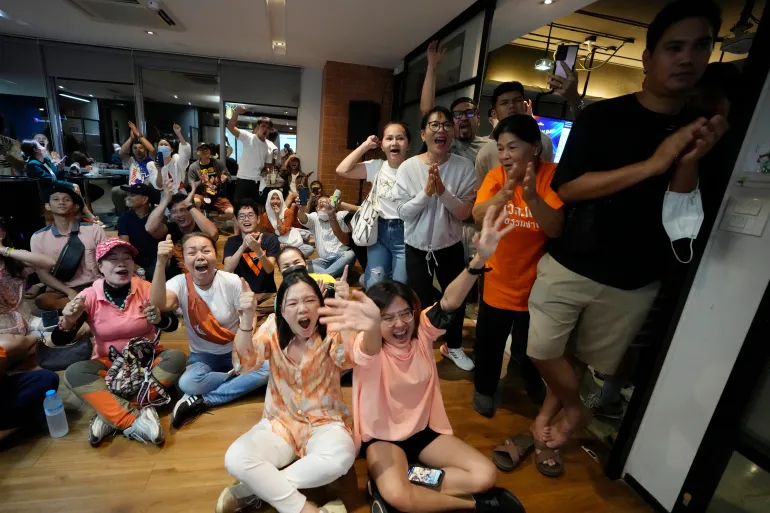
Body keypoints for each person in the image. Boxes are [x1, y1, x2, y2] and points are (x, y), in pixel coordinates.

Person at [524, 0, 726, 476]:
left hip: (635, 277)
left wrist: (690, 160)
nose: (686, 58)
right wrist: (654, 165)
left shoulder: (703, 127)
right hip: (572, 261)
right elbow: (569, 188)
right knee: (543, 350)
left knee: (583, 361)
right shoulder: (603, 118)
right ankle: (574, 413)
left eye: (701, 46)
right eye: (673, 47)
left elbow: (685, 214)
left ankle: (545, 429)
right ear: (648, 58)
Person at [318, 208, 524, 513]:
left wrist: (477, 263)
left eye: (405, 314)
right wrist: (373, 323)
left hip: (424, 433)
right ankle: (473, 506)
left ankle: (406, 481)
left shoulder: (423, 333)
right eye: (388, 318)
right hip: (383, 439)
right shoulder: (368, 345)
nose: (400, 324)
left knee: (484, 474)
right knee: (400, 496)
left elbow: (449, 302)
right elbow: (370, 344)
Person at [218, 271, 354, 513]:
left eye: (309, 300)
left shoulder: (332, 327)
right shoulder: (271, 327)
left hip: (325, 423)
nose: (302, 309)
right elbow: (244, 364)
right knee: (235, 457)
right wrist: (247, 318)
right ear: (281, 310)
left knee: (341, 457)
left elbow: (348, 359)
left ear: (320, 304)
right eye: (292, 303)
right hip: (279, 423)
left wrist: (344, 314)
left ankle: (254, 490)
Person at [470, 115, 564, 419]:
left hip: (537, 284)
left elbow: (555, 228)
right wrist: (504, 194)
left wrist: (532, 196)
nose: (505, 155)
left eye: (512, 147)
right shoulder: (497, 176)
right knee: (489, 342)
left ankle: (528, 381)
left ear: (535, 147)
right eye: (501, 149)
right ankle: (484, 388)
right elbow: (477, 215)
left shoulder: (552, 176)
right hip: (497, 278)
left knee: (529, 348)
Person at [55, 238, 184, 446]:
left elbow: (171, 325)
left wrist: (159, 319)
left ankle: (109, 413)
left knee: (177, 358)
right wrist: (69, 321)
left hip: (146, 362)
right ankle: (132, 419)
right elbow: (59, 340)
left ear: (134, 264)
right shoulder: (89, 296)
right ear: (100, 267)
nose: (121, 263)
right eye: (113, 259)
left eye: (127, 258)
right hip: (107, 364)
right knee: (74, 373)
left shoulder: (145, 288)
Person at [150, 232, 270, 429]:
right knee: (187, 383)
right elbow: (158, 305)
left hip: (236, 350)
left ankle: (204, 400)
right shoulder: (179, 283)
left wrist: (250, 311)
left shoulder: (231, 281)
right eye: (192, 252)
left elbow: (249, 320)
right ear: (183, 259)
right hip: (204, 356)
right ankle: (235, 378)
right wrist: (160, 263)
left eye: (206, 250)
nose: (200, 256)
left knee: (268, 370)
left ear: (216, 255)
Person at [394, 106, 476, 372]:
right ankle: (420, 345)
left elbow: (464, 212)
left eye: (446, 126)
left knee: (459, 298)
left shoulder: (464, 168)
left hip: (449, 245)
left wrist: (443, 192)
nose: (441, 130)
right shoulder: (407, 168)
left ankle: (453, 347)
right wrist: (427, 192)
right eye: (434, 125)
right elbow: (404, 213)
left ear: (452, 134)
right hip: (416, 247)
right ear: (423, 133)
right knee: (418, 300)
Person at [336, 122, 410, 287]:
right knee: (375, 282)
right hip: (379, 231)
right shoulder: (377, 166)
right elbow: (342, 170)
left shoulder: (415, 168)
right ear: (382, 145)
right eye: (389, 138)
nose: (394, 143)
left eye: (400, 138)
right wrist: (365, 146)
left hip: (406, 234)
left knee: (400, 285)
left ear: (408, 144)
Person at [30, 185, 107, 311]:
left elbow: (108, 259)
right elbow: (42, 275)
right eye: (56, 199)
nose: (61, 202)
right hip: (62, 289)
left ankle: (85, 306)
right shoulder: (38, 237)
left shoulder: (93, 229)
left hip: (95, 284)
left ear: (76, 206)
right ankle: (91, 305)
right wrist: (70, 292)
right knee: (43, 301)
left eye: (67, 199)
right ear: (47, 206)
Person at [420, 41, 488, 162]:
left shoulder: (490, 147)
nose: (463, 118)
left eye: (469, 112)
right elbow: (427, 111)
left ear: (478, 119)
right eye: (457, 114)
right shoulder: (445, 143)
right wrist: (432, 66)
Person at [145, 180, 219, 277]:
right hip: (175, 278)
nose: (179, 215)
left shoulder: (202, 228)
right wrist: (166, 200)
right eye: (174, 212)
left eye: (183, 210)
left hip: (200, 274)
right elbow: (150, 228)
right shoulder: (171, 228)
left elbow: (213, 234)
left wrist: (189, 204)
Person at [224, 199, 281, 315]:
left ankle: (250, 313)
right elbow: (227, 270)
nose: (246, 219)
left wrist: (258, 250)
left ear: (258, 219)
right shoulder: (231, 242)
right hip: (243, 295)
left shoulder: (270, 239)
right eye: (242, 216)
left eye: (250, 215)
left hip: (267, 296)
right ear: (237, 221)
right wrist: (243, 247)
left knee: (281, 300)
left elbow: (269, 268)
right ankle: (253, 313)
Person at [297, 193, 355, 279]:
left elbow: (357, 211)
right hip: (323, 262)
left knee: (351, 254)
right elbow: (303, 218)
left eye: (326, 202)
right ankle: (333, 276)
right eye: (320, 202)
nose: (322, 203)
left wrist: (341, 205)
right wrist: (301, 209)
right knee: (302, 266)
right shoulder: (315, 217)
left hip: (340, 258)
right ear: (316, 208)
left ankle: (325, 277)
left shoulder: (341, 215)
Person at [227, 107, 274, 210]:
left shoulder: (270, 146)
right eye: (263, 126)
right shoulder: (248, 137)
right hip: (243, 180)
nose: (265, 129)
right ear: (258, 126)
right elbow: (230, 127)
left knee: (256, 211)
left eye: (268, 128)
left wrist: (269, 182)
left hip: (258, 182)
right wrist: (237, 112)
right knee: (239, 211)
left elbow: (268, 168)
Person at [117, 183, 162, 281]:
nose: (127, 198)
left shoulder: (157, 217)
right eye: (128, 195)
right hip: (134, 262)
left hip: (157, 262)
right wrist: (133, 265)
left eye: (132, 195)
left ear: (144, 199)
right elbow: (125, 246)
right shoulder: (124, 218)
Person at [113, 121, 157, 215]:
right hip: (131, 188)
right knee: (115, 191)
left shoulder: (151, 160)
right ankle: (123, 215)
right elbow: (121, 152)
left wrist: (138, 134)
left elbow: (152, 149)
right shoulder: (131, 160)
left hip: (147, 188)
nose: (138, 150)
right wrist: (131, 138)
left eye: (140, 148)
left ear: (145, 150)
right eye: (135, 148)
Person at [188, 142, 234, 220]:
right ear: (198, 152)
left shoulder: (218, 163)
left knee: (231, 212)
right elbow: (191, 184)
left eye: (207, 149)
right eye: (202, 149)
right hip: (201, 195)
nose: (205, 151)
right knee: (197, 202)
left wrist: (225, 178)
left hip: (217, 196)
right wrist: (201, 182)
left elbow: (229, 177)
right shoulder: (193, 167)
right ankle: (201, 222)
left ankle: (213, 220)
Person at [262, 189, 313, 258]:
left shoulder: (288, 212)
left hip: (291, 239)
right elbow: (266, 234)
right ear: (268, 200)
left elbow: (283, 231)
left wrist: (277, 215)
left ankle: (286, 257)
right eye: (272, 199)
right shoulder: (265, 215)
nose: (275, 201)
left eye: (278, 199)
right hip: (278, 243)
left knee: (309, 249)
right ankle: (293, 256)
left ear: (281, 200)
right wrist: (277, 243)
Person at [152, 124, 191, 193]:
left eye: (165, 145)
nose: (163, 147)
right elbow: (158, 186)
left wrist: (179, 134)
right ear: (157, 149)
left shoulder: (177, 161)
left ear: (171, 150)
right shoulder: (153, 165)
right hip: (165, 195)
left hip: (180, 193)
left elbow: (186, 154)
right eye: (161, 145)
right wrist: (159, 171)